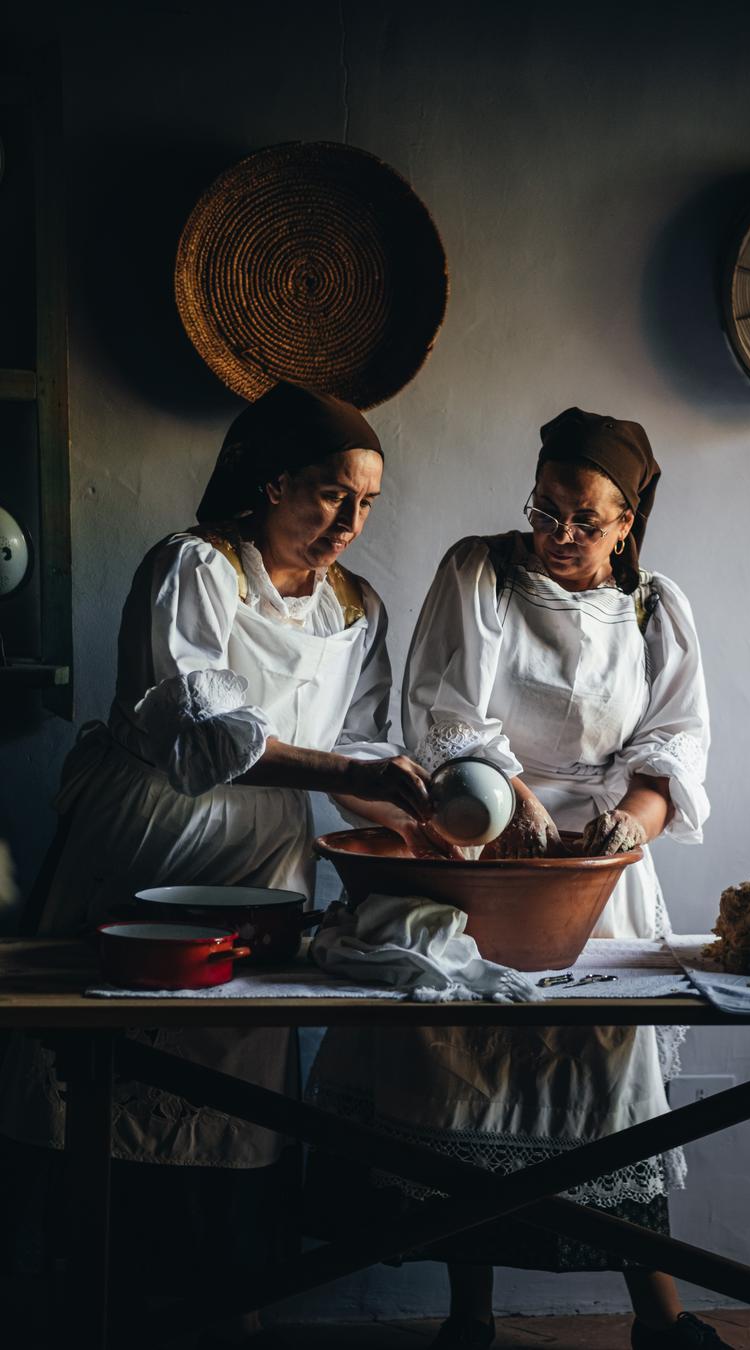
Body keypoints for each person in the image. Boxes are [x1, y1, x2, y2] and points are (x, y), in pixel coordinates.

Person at [0, 383, 434, 1342]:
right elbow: (203, 726)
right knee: (102, 1074)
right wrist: (358, 770)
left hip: (265, 863)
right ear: (270, 481)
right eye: (329, 495)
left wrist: (422, 827)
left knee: (229, 1087)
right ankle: (89, 1308)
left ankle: (209, 1314)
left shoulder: (356, 611)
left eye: (365, 504)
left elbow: (359, 766)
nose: (349, 524)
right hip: (149, 835)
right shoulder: (193, 567)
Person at [308, 410, 724, 1350]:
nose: (557, 535)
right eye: (545, 507)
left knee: (604, 1090)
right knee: (468, 1069)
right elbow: (444, 715)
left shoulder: (658, 609)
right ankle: (471, 1318)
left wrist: (628, 826)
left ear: (629, 519)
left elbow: (673, 750)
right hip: (483, 848)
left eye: (583, 519)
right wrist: (515, 797)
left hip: (602, 881)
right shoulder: (483, 571)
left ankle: (661, 1321)